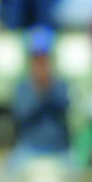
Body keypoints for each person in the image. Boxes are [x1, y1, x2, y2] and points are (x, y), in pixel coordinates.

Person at [10, 28, 70, 162]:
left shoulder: (60, 85)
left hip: (59, 150)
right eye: (37, 59)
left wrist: (48, 86)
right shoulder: (22, 87)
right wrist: (40, 90)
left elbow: (65, 107)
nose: (41, 65)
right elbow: (21, 114)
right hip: (28, 149)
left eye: (45, 59)